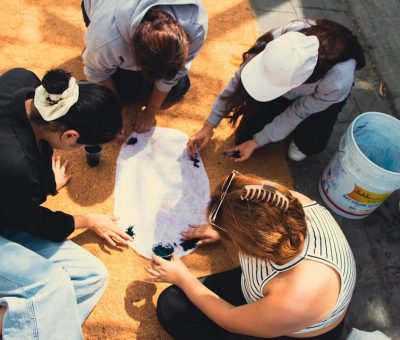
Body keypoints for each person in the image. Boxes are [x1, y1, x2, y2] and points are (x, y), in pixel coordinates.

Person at [0, 68, 133, 339]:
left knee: (91, 276)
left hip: (9, 207)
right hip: (8, 218)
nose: (81, 150)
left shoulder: (22, 81)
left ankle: (14, 325)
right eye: (83, 145)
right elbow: (34, 221)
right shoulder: (16, 168)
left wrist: (43, 181)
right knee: (52, 284)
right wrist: (87, 220)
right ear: (70, 135)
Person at [146, 171, 356, 339]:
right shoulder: (288, 201)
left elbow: (228, 318)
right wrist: (221, 226)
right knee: (177, 301)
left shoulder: (296, 296)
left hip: (293, 330)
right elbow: (253, 194)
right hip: (268, 289)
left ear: (251, 248)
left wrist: (183, 278)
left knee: (171, 307)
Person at [187, 19, 365, 162]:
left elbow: (298, 111)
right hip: (292, 87)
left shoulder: (337, 80)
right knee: (244, 139)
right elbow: (238, 81)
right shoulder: (283, 38)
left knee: (310, 144)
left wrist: (258, 141)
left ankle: (303, 136)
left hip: (322, 98)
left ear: (299, 83)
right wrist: (209, 126)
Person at [81, 0, 208, 133]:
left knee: (177, 90)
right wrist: (116, 113)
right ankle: (91, 52)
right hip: (102, 10)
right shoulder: (106, 39)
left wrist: (151, 111)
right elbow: (98, 73)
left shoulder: (196, 27)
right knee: (127, 97)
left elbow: (173, 77)